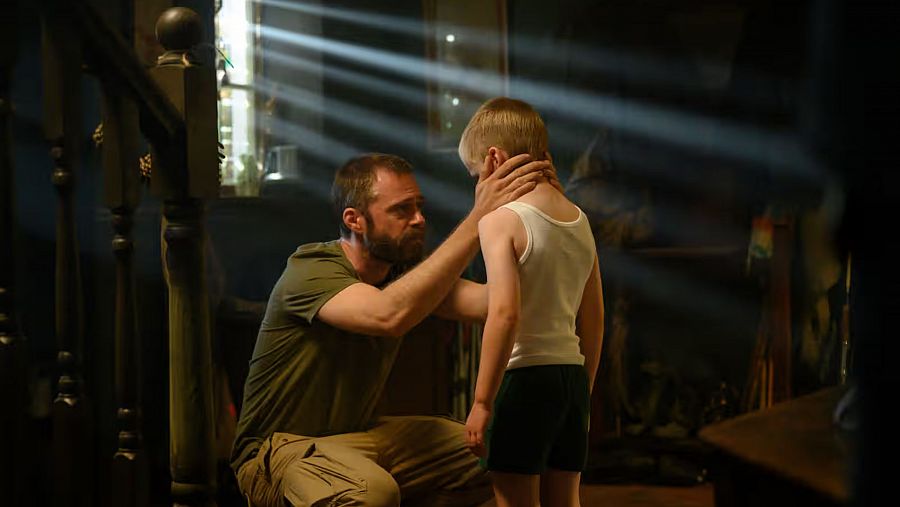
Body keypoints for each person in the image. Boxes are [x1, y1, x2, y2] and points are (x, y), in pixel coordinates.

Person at [231, 151, 554, 506]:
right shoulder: (310, 268)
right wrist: (479, 216)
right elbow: (387, 315)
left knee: (506, 450)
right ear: (354, 220)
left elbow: (496, 303)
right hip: (278, 451)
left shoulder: (399, 273)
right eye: (402, 210)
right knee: (372, 492)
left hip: (358, 439)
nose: (418, 219)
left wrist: (545, 211)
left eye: (419, 207)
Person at [459, 97, 605, 507]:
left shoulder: (499, 221)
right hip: (572, 378)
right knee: (566, 500)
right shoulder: (579, 219)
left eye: (476, 174)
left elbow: (504, 313)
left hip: (524, 379)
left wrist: (482, 402)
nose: (478, 184)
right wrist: (584, 388)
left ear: (494, 159)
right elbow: (594, 317)